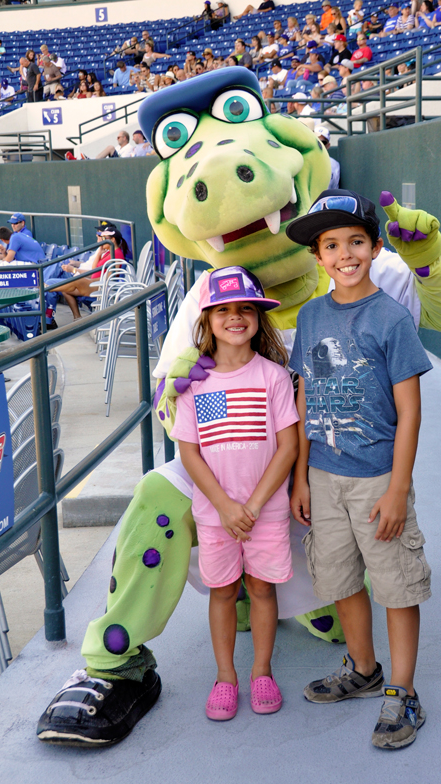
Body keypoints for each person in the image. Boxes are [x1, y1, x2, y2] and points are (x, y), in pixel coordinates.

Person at [286, 189, 432, 750]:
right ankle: (364, 670)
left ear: (373, 248)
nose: (344, 253)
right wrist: (300, 475)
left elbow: (410, 410)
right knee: (341, 578)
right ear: (318, 257)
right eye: (331, 245)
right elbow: (305, 399)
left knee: (395, 584)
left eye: (355, 242)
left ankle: (402, 691)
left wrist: (397, 489)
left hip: (376, 478)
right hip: (322, 475)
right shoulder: (311, 314)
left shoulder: (391, 318)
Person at [172, 266, 299, 721]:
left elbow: (287, 448)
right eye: (223, 309)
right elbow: (189, 453)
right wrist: (226, 507)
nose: (235, 317)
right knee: (223, 592)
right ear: (207, 320)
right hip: (215, 515)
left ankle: (260, 670)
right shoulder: (194, 385)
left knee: (262, 590)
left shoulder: (273, 378)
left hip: (264, 513)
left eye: (245, 308)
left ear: (258, 318)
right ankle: (225, 676)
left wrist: (253, 506)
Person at [46, 224, 128, 320]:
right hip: (94, 282)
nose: (102, 240)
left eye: (104, 238)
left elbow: (109, 277)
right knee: (66, 290)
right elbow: (94, 269)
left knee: (74, 280)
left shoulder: (117, 254)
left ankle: (48, 287)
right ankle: (77, 318)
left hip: (99, 286)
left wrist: (91, 281)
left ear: (113, 240)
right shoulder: (108, 252)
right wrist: (99, 253)